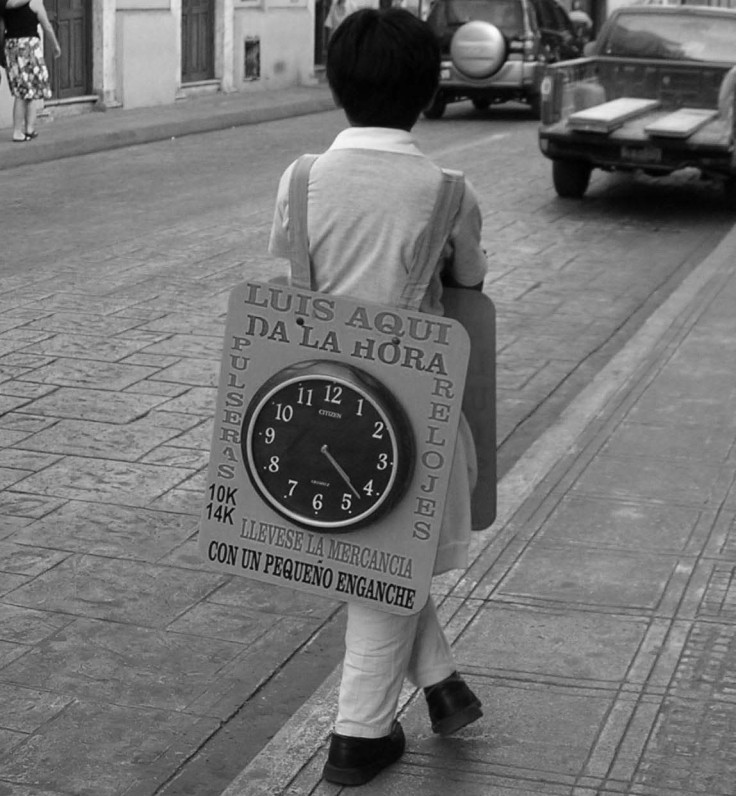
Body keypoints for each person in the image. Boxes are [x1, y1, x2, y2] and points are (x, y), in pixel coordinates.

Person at [268, 8, 488, 787]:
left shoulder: (298, 178)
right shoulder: (447, 192)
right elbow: (470, 283)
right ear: (429, 91)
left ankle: (442, 684)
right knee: (389, 557)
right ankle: (357, 737)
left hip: (311, 411)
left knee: (374, 550)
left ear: (337, 86)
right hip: (410, 421)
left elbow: (290, 270)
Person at [1, 0, 60, 142]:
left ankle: (29, 129)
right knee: (28, 92)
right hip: (29, 47)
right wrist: (55, 46)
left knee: (24, 91)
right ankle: (19, 131)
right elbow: (47, 26)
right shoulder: (35, 3)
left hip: (11, 47)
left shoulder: (7, 3)